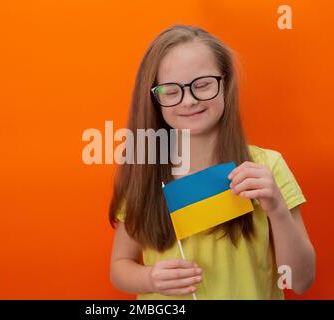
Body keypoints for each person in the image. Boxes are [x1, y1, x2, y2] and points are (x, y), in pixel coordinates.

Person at [109, 24, 315, 299]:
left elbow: (300, 281)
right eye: (171, 91)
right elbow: (119, 267)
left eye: (202, 85)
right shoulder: (145, 171)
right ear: (154, 99)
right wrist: (150, 278)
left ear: (225, 83)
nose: (189, 100)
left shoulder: (267, 166)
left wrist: (277, 207)